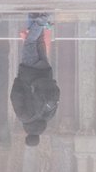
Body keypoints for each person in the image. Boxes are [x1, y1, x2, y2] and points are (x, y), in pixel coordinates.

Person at [11, 13, 61, 146]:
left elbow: (55, 97)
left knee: (39, 42)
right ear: (27, 135)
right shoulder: (24, 116)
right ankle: (40, 21)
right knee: (30, 42)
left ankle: (35, 15)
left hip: (45, 72)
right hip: (29, 73)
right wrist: (18, 80)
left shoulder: (48, 117)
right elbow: (16, 96)